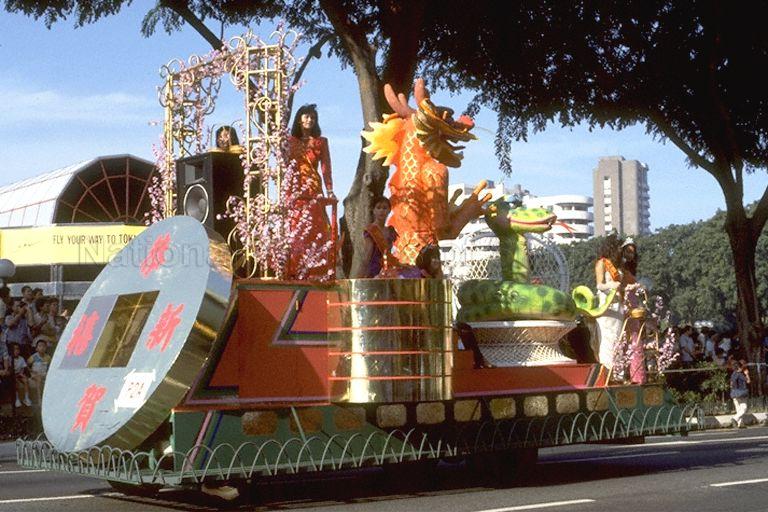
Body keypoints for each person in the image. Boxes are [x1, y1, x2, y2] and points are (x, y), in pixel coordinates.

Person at [285, 104, 335, 280]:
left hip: (313, 188)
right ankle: (293, 268)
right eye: (306, 117)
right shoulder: (289, 141)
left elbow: (326, 166)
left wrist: (330, 190)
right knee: (296, 226)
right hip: (294, 189)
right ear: (299, 119)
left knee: (316, 225)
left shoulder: (321, 141)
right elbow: (284, 167)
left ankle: (317, 269)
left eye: (312, 118)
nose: (309, 120)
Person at [594, 233, 624, 373]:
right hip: (607, 305)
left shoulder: (617, 266)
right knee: (607, 338)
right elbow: (599, 285)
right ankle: (608, 370)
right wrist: (612, 286)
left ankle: (618, 370)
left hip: (618, 305)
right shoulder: (602, 263)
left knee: (618, 338)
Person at [352, 196, 398, 278]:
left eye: (384, 208)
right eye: (378, 208)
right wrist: (359, 276)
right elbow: (367, 255)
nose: (381, 211)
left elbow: (389, 253)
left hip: (389, 268)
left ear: (389, 210)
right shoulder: (371, 231)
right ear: (373, 210)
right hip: (374, 270)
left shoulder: (390, 231)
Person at [27, 338, 51, 404]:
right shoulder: (33, 357)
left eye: (43, 346)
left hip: (44, 374)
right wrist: (31, 371)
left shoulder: (48, 358)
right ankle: (39, 398)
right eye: (40, 346)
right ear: (36, 348)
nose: (42, 348)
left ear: (46, 348)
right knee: (39, 379)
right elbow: (26, 366)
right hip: (35, 375)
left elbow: (49, 367)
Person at [10, 343, 32, 407]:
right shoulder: (10, 359)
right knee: (15, 382)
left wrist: (21, 374)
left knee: (25, 380)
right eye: (14, 349)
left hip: (20, 374)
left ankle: (26, 397)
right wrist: (15, 375)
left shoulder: (21, 358)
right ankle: (17, 399)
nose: (16, 351)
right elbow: (10, 370)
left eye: (17, 349)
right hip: (13, 375)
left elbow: (23, 368)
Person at [730, 360, 750, 428]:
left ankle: (740, 424)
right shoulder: (740, 374)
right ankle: (734, 419)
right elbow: (748, 381)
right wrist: (747, 374)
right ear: (740, 367)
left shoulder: (733, 374)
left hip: (734, 394)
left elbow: (731, 384)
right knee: (744, 408)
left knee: (738, 409)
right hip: (741, 393)